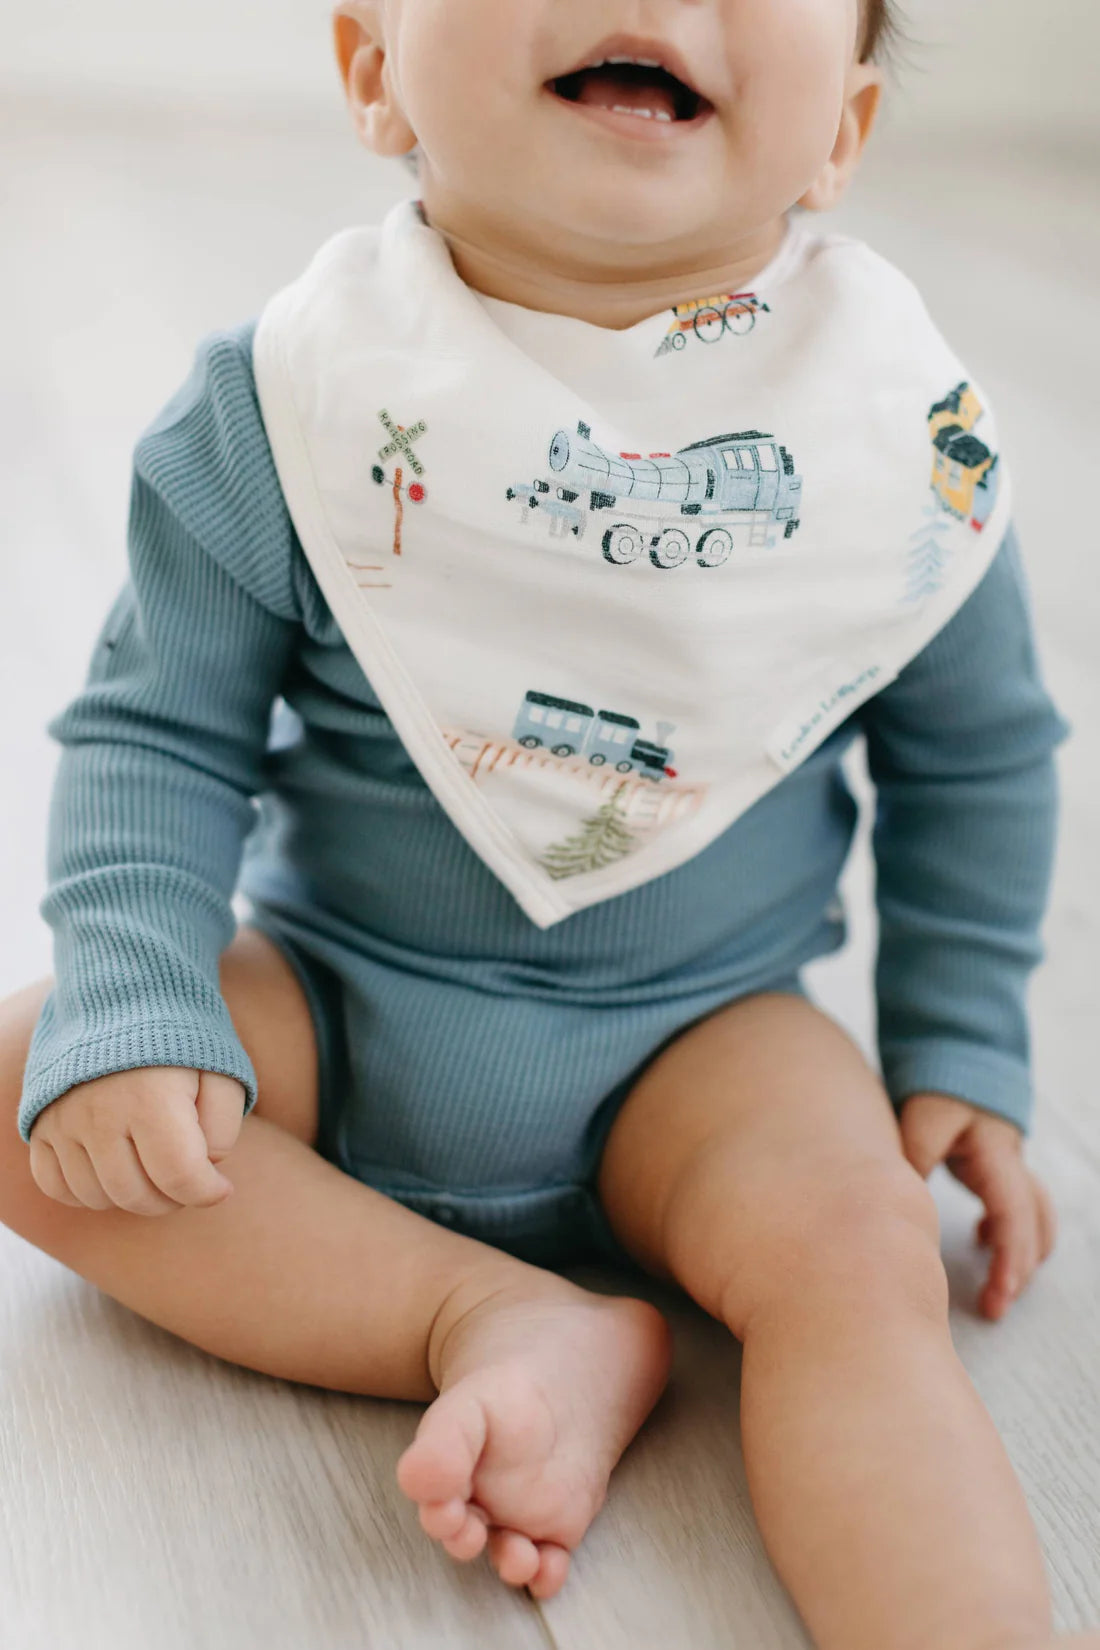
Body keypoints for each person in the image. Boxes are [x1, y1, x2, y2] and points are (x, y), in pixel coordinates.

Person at [1, 3, 1092, 1644]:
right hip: (343, 999)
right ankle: (490, 1316)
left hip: (704, 1045)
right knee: (32, 1080)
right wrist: (141, 995)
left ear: (845, 133)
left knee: (862, 1259)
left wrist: (957, 1047)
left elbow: (980, 758)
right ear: (376, 73)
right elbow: (158, 731)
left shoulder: (893, 448)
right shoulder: (294, 401)